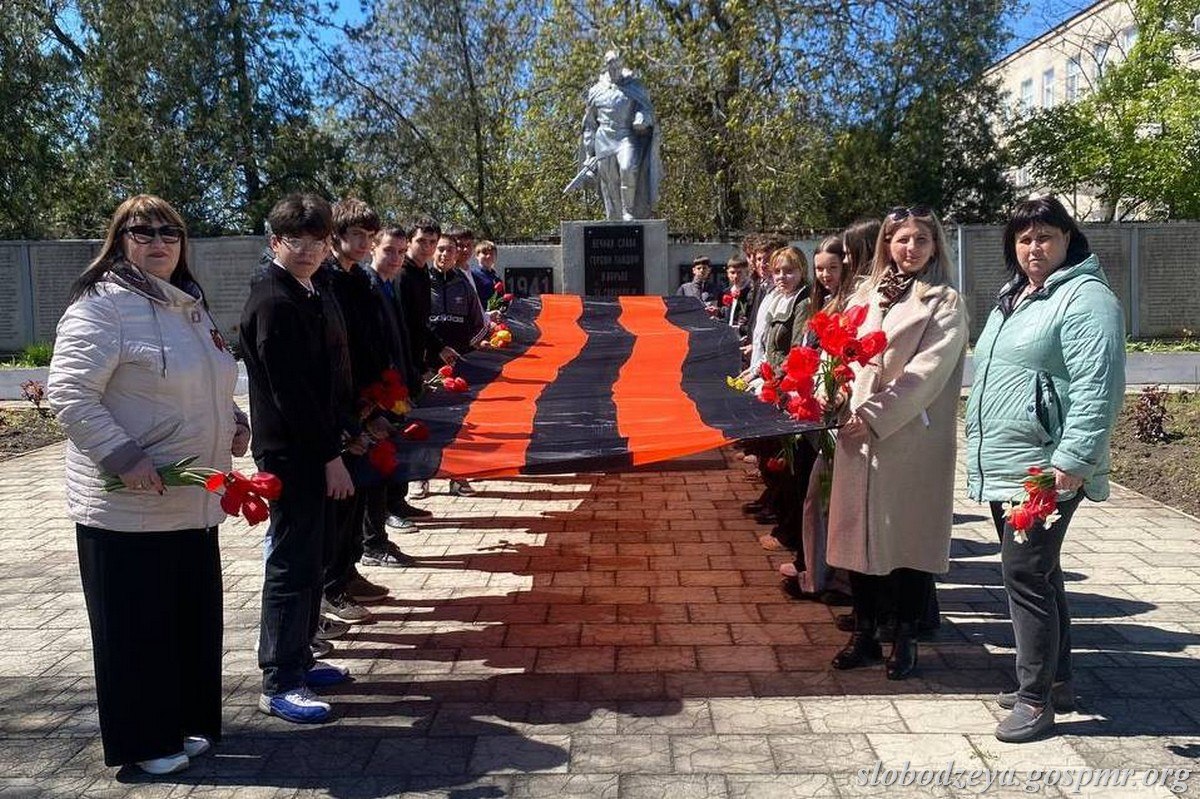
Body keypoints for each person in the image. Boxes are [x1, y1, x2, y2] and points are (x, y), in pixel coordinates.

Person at [47, 194, 245, 775]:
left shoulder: (189, 305)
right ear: (120, 240)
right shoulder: (101, 306)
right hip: (129, 503)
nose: (158, 242)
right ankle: (145, 741)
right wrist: (122, 455)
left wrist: (234, 420)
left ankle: (181, 724)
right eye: (143, 232)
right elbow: (70, 393)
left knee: (186, 622)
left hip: (191, 499)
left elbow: (209, 380)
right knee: (136, 629)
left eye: (169, 232)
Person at [966, 196, 1125, 743]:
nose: (1034, 247)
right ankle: (1056, 682)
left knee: (1024, 574)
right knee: (1041, 572)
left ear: (1068, 239)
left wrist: (1073, 461)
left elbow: (1098, 386)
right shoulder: (1015, 296)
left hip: (1045, 467)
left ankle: (1034, 701)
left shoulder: (1086, 298)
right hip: (1010, 460)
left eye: (1045, 237)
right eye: (1024, 238)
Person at [826, 205, 968, 681]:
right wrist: (833, 394)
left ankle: (906, 636)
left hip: (909, 437)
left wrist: (874, 415)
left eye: (921, 240)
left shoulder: (944, 301)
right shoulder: (865, 295)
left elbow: (926, 375)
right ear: (887, 243)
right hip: (856, 435)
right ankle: (864, 633)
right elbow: (840, 354)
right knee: (858, 537)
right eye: (902, 239)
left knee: (908, 538)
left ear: (935, 246)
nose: (910, 248)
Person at [240, 193, 356, 725]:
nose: (307, 250)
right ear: (274, 242)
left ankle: (301, 659)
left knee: (312, 559)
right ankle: (280, 680)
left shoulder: (308, 289)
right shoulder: (274, 301)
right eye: (295, 241)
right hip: (293, 453)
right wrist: (329, 454)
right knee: (291, 564)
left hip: (319, 446)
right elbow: (291, 394)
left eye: (317, 240)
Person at [780, 236, 853, 600]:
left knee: (824, 499)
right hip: (815, 410)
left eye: (832, 268)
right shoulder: (821, 303)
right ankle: (817, 569)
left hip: (837, 415)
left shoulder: (850, 305)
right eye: (820, 269)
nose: (825, 275)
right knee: (815, 498)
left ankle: (830, 575)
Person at [576, 50, 662, 220]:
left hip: (626, 136)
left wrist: (642, 118)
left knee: (628, 168)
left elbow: (646, 109)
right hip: (603, 139)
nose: (615, 69)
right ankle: (614, 216)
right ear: (606, 66)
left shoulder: (634, 87)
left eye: (618, 66)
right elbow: (590, 124)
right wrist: (589, 153)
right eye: (611, 65)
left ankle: (628, 211)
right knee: (610, 180)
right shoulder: (596, 91)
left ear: (622, 65)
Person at [471, 240, 502, 306]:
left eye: (491, 253)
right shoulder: (473, 275)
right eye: (485, 253)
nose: (488, 256)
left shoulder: (496, 277)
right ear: (477, 255)